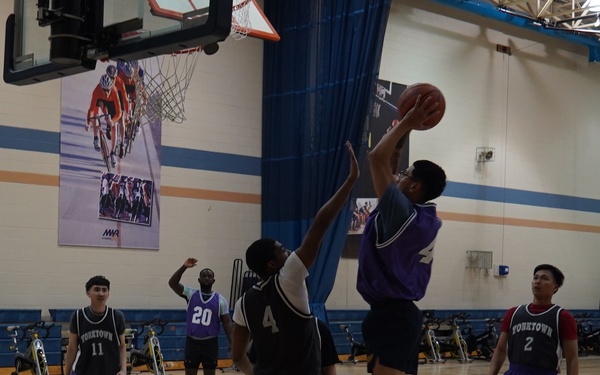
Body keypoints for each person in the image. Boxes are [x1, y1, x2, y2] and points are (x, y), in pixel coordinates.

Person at [230, 141, 360, 375]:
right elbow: (320, 224)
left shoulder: (243, 303)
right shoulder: (288, 278)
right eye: (282, 250)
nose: (289, 251)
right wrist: (350, 181)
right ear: (272, 264)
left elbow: (237, 356)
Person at [356, 96, 447, 375]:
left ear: (415, 186)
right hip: (401, 314)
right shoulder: (423, 215)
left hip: (393, 316)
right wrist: (405, 129)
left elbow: (377, 158)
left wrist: (407, 121)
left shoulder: (401, 212)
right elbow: (390, 162)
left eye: (405, 175)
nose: (397, 177)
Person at [488, 264, 579, 375]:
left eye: (544, 278)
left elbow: (572, 358)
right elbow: (500, 349)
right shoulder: (514, 313)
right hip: (514, 371)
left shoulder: (562, 316)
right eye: (535, 277)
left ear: (555, 287)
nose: (538, 281)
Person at [169, 259, 234, 375]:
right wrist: (184, 267)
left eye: (209, 276)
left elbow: (227, 322)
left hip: (210, 344)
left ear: (214, 280)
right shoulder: (191, 294)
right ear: (199, 280)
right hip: (192, 343)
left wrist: (232, 342)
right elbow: (172, 283)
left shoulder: (220, 300)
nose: (207, 278)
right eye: (204, 276)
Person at [64, 275, 127, 375]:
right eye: (96, 289)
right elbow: (72, 348)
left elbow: (122, 346)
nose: (101, 293)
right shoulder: (77, 316)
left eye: (104, 290)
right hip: (84, 371)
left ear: (108, 293)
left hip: (110, 371)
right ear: (88, 293)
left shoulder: (116, 316)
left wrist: (123, 369)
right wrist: (67, 373)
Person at [87, 74, 122, 168]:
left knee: (114, 125)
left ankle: (113, 153)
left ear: (111, 87)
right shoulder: (97, 90)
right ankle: (96, 138)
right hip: (101, 101)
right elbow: (91, 109)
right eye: (104, 90)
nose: (106, 92)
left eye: (108, 90)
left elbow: (119, 113)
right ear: (101, 87)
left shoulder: (114, 91)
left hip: (111, 103)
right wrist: (88, 123)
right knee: (96, 114)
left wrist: (113, 121)